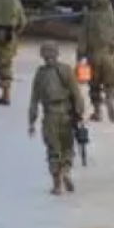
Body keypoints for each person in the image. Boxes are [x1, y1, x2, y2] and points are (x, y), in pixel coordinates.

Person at [28, 41, 85, 195]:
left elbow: (34, 100)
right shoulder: (66, 70)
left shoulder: (40, 74)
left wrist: (31, 121)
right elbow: (77, 94)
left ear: (42, 55)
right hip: (66, 115)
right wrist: (80, 113)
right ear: (57, 53)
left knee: (53, 150)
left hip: (49, 116)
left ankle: (57, 184)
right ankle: (66, 170)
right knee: (67, 147)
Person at [77, 0, 114, 122]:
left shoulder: (88, 18)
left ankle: (97, 111)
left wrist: (79, 58)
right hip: (110, 57)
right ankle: (110, 98)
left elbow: (82, 39)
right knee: (111, 84)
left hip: (93, 57)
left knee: (94, 86)